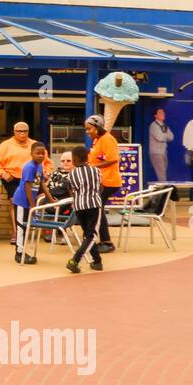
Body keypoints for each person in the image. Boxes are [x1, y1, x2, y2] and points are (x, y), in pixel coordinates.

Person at [0, 122, 34, 245]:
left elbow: (46, 162)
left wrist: (46, 172)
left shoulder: (34, 144)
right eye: (19, 131)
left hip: (30, 178)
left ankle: (26, 230)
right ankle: (16, 232)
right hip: (12, 178)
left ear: (28, 132)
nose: (22, 134)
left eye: (24, 131)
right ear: (14, 132)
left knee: (30, 204)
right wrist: (2, 173)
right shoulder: (6, 145)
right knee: (15, 202)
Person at [64, 145, 105, 274]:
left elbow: (71, 191)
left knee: (87, 234)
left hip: (79, 207)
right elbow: (101, 187)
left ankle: (97, 261)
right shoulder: (96, 171)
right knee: (92, 235)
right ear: (87, 157)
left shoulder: (71, 175)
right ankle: (75, 260)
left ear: (75, 160)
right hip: (93, 205)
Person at [85, 114, 121, 251]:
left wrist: (92, 167)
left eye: (89, 129)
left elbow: (112, 159)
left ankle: (107, 242)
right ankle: (99, 239)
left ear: (97, 127)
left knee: (97, 210)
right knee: (96, 209)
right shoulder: (97, 140)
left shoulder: (107, 139)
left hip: (108, 182)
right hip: (100, 181)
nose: (87, 132)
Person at [14, 141, 50, 264]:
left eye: (43, 153)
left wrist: (50, 197)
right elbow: (27, 186)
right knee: (21, 227)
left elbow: (41, 183)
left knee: (26, 226)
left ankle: (23, 251)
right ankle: (19, 253)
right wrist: (32, 204)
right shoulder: (29, 167)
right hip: (22, 201)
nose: (40, 156)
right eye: (37, 153)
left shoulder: (40, 166)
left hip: (30, 202)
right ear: (31, 154)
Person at [147, 108, 172, 183]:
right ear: (155, 115)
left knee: (163, 172)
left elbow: (171, 137)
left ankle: (163, 190)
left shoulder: (164, 126)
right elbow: (160, 138)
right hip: (156, 152)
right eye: (160, 113)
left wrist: (164, 136)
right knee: (161, 173)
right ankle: (163, 191)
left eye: (163, 112)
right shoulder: (153, 126)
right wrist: (165, 136)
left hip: (163, 152)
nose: (163, 114)